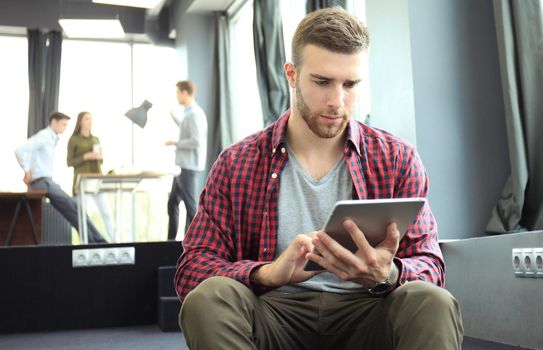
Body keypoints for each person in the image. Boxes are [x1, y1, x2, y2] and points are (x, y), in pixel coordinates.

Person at [175, 7, 463, 350]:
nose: (337, 102)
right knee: (207, 299)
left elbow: (431, 264)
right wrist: (266, 273)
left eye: (350, 84)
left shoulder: (397, 158)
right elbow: (192, 268)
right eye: (322, 82)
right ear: (292, 75)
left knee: (433, 302)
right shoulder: (237, 162)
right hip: (274, 313)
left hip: (368, 310)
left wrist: (387, 274)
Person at [15, 112, 107, 244]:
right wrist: (27, 171)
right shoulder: (44, 136)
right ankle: (98, 241)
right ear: (54, 122)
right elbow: (20, 150)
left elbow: (32, 154)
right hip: (41, 182)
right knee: (74, 206)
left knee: (73, 209)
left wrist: (29, 167)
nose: (64, 128)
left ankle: (94, 240)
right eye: (63, 124)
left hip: (46, 181)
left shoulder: (52, 138)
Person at [165, 80, 207, 240]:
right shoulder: (189, 113)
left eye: (177, 93)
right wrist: (174, 118)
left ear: (184, 93)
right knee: (172, 204)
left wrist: (174, 142)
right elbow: (186, 127)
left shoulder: (195, 114)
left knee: (191, 207)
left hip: (188, 167)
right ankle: (171, 242)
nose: (176, 96)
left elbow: (196, 141)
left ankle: (195, 243)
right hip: (182, 166)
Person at [67, 111, 116, 242]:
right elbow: (69, 162)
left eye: (91, 119)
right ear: (80, 122)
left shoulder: (96, 139)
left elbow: (101, 161)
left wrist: (99, 157)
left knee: (107, 213)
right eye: (87, 119)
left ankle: (115, 241)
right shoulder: (74, 140)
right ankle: (84, 243)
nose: (90, 121)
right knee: (82, 215)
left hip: (98, 180)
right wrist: (85, 157)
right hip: (82, 182)